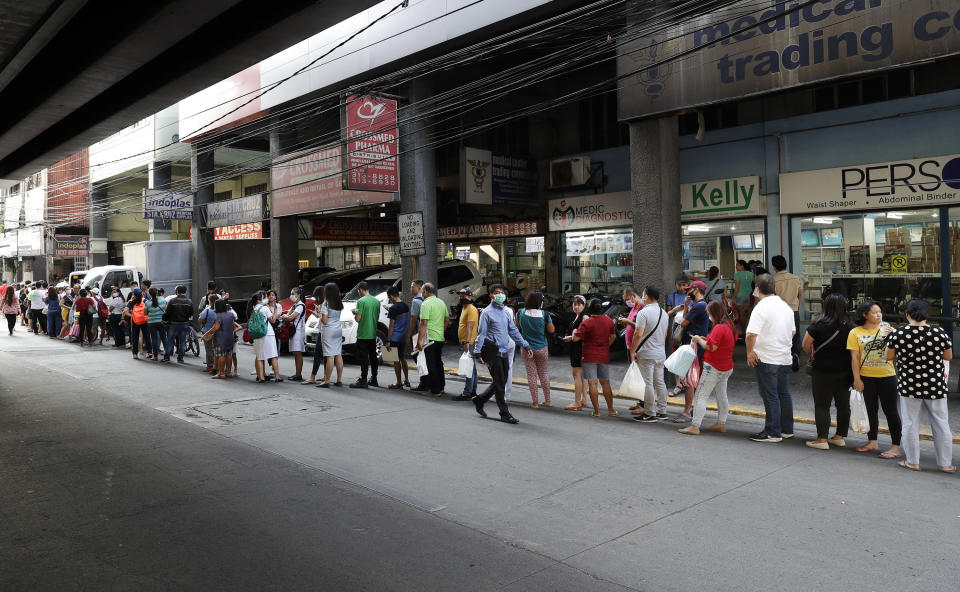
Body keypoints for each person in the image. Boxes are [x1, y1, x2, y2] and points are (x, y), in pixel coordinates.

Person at [885, 299, 955, 473]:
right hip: (935, 385)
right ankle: (945, 464)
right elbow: (948, 356)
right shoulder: (939, 332)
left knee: (910, 423)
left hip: (909, 385)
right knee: (941, 423)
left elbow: (888, 356)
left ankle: (913, 461)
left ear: (907, 314)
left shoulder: (899, 333)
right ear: (927, 314)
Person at [848, 300, 901, 459]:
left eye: (880, 312)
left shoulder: (888, 329)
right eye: (874, 312)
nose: (879, 315)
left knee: (891, 411)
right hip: (867, 377)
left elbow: (897, 353)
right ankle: (872, 441)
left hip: (887, 376)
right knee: (870, 411)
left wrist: (893, 336)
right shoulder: (855, 332)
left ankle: (896, 446)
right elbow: (855, 358)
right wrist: (857, 379)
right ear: (865, 315)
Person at [745, 273, 795, 442]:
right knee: (784, 393)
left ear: (757, 290)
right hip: (784, 357)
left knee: (770, 395)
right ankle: (786, 429)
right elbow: (793, 332)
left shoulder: (761, 307)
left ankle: (773, 431)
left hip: (766, 357)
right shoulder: (785, 306)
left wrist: (750, 352)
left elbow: (751, 334)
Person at [471, 284, 531, 424]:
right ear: (491, 296)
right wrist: (477, 352)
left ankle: (480, 400)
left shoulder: (505, 311)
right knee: (499, 384)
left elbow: (513, 331)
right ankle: (504, 413)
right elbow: (482, 334)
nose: (500, 295)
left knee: (501, 381)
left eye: (502, 292)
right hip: (493, 352)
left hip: (504, 350)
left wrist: (525, 345)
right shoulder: (486, 313)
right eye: (497, 293)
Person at [801, 293, 853, 450]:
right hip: (845, 371)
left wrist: (816, 353)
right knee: (843, 405)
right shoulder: (850, 326)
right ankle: (839, 437)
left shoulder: (817, 325)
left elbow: (805, 345)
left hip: (822, 370)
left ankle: (822, 439)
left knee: (822, 405)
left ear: (826, 306)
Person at [678, 300, 737, 435]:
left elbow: (712, 347)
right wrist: (706, 339)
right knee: (722, 396)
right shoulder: (729, 325)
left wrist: (699, 340)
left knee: (700, 396)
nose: (708, 316)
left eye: (709, 313)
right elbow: (720, 343)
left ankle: (695, 426)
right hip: (726, 367)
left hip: (714, 368)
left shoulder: (719, 327)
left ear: (715, 313)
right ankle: (721, 424)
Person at [670, 279, 710, 422]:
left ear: (696, 290)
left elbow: (683, 322)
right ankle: (692, 409)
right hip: (693, 344)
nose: (687, 292)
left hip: (693, 346)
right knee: (692, 379)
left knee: (688, 380)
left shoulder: (699, 306)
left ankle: (687, 412)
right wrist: (687, 305)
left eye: (689, 290)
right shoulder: (699, 305)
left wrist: (686, 307)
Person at [571, 298, 618, 417]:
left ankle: (597, 412)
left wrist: (574, 330)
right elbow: (613, 336)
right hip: (603, 355)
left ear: (589, 309)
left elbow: (576, 338)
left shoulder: (587, 322)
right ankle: (611, 410)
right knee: (606, 383)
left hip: (588, 356)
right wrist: (606, 345)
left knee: (592, 383)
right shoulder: (608, 321)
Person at [630, 286, 668, 423]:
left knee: (648, 383)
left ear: (646, 296)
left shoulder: (643, 313)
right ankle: (662, 411)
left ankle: (650, 413)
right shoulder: (664, 313)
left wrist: (632, 351)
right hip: (660, 353)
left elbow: (638, 334)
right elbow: (664, 335)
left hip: (646, 353)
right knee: (660, 382)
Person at [516, 290, 554, 408]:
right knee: (543, 373)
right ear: (539, 302)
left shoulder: (520, 313)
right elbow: (551, 330)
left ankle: (535, 402)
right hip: (542, 347)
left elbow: (515, 327)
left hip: (527, 348)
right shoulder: (545, 314)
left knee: (531, 375)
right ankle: (547, 401)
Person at [416, 282, 449, 396]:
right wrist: (442, 331)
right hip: (440, 337)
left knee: (431, 364)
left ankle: (435, 390)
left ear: (425, 291)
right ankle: (441, 387)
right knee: (438, 362)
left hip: (429, 339)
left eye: (422, 292)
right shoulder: (441, 302)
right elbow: (447, 320)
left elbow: (423, 324)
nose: (422, 294)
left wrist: (419, 341)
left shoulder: (425, 304)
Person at [771, 255, 803, 371]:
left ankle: (782, 360)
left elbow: (772, 298)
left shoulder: (773, 280)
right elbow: (800, 294)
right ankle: (795, 355)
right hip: (794, 311)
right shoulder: (796, 278)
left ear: (774, 267)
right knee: (796, 335)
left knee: (780, 336)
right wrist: (796, 306)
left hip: (779, 313)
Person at [561, 295, 591, 411]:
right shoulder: (577, 316)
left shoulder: (584, 317)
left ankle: (577, 402)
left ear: (584, 305)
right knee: (582, 377)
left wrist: (571, 337)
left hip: (579, 349)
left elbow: (584, 334)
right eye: (574, 304)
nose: (576, 306)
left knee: (577, 375)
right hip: (578, 348)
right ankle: (584, 400)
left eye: (579, 304)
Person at [351, 281, 381, 389]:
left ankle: (363, 379)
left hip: (363, 334)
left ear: (360, 290)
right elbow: (377, 318)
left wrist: (354, 314)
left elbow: (358, 318)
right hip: (373, 333)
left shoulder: (361, 301)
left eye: (358, 291)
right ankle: (374, 378)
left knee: (364, 358)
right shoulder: (377, 301)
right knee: (373, 357)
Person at [206, 300, 242, 379]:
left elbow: (216, 328)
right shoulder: (230, 314)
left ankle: (221, 373)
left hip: (220, 339)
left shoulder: (219, 316)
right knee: (229, 354)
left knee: (221, 355)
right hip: (230, 337)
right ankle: (228, 372)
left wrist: (206, 334)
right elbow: (232, 324)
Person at [317, 282, 344, 388]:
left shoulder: (326, 303)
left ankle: (327, 380)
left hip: (328, 330)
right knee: (338, 354)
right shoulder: (338, 302)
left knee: (330, 356)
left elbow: (324, 320)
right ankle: (338, 380)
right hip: (338, 329)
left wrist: (319, 313)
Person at [252, 291, 282, 383]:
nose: (266, 299)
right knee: (273, 355)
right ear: (259, 300)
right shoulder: (264, 308)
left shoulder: (254, 308)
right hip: (267, 333)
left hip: (257, 334)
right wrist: (276, 310)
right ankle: (277, 377)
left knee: (260, 356)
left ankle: (261, 377)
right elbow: (272, 320)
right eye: (264, 297)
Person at [454, 287, 479, 400]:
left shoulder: (471, 309)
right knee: (471, 368)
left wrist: (467, 342)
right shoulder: (465, 308)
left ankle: (467, 392)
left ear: (470, 296)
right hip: (467, 341)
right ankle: (472, 391)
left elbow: (470, 326)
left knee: (469, 368)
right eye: (460, 295)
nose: (462, 297)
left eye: (464, 295)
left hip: (469, 342)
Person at [384, 286, 411, 390]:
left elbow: (391, 325)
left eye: (389, 298)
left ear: (391, 296)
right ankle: (407, 380)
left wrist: (388, 340)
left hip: (395, 337)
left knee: (396, 360)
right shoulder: (406, 306)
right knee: (403, 358)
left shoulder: (393, 308)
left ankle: (399, 383)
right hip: (403, 337)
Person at [162, 285, 193, 363]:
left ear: (176, 292)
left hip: (173, 324)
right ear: (185, 292)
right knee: (182, 341)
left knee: (170, 340)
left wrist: (165, 319)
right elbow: (191, 313)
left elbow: (167, 313)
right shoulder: (189, 301)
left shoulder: (172, 301)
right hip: (184, 323)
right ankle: (180, 358)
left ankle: (167, 357)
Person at [302, 287, 327, 385]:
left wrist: (319, 311)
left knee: (318, 353)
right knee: (325, 355)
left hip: (324, 332)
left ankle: (313, 377)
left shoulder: (325, 304)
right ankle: (326, 376)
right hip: (326, 331)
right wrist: (317, 313)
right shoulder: (332, 303)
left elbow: (324, 319)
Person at [281, 286, 306, 381]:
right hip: (294, 331)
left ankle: (298, 375)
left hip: (298, 332)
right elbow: (288, 315)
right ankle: (297, 373)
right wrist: (285, 316)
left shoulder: (300, 306)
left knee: (298, 353)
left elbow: (290, 317)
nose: (291, 296)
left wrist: (284, 316)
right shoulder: (294, 305)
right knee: (295, 353)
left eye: (293, 294)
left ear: (298, 295)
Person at [407, 279, 427, 391]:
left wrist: (409, 335)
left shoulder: (416, 301)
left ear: (419, 288)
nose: (411, 289)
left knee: (418, 357)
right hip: (429, 333)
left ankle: (423, 382)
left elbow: (414, 320)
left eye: (412, 287)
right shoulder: (426, 299)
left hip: (420, 333)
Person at [617, 287, 643, 351]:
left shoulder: (642, 309)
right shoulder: (633, 308)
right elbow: (631, 325)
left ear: (633, 296)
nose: (626, 302)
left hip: (637, 347)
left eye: (627, 299)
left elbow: (641, 327)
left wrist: (627, 321)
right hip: (630, 346)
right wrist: (624, 323)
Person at [199, 293, 219, 374]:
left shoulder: (207, 311)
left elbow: (200, 320)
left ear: (209, 301)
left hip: (207, 332)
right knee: (216, 349)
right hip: (218, 332)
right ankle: (217, 366)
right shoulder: (221, 311)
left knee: (209, 350)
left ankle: (209, 366)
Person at [144, 288, 166, 361]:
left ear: (149, 294)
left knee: (154, 339)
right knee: (164, 338)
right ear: (157, 292)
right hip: (161, 322)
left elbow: (145, 313)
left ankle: (155, 356)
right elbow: (166, 309)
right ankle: (167, 356)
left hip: (151, 322)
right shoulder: (162, 299)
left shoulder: (147, 302)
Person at [733, 260, 754, 333]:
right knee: (748, 315)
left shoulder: (737, 274)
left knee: (741, 316)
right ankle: (748, 332)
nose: (736, 267)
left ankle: (743, 332)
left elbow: (737, 288)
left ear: (742, 266)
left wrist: (733, 298)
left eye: (737, 265)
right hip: (749, 296)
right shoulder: (751, 274)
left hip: (740, 297)